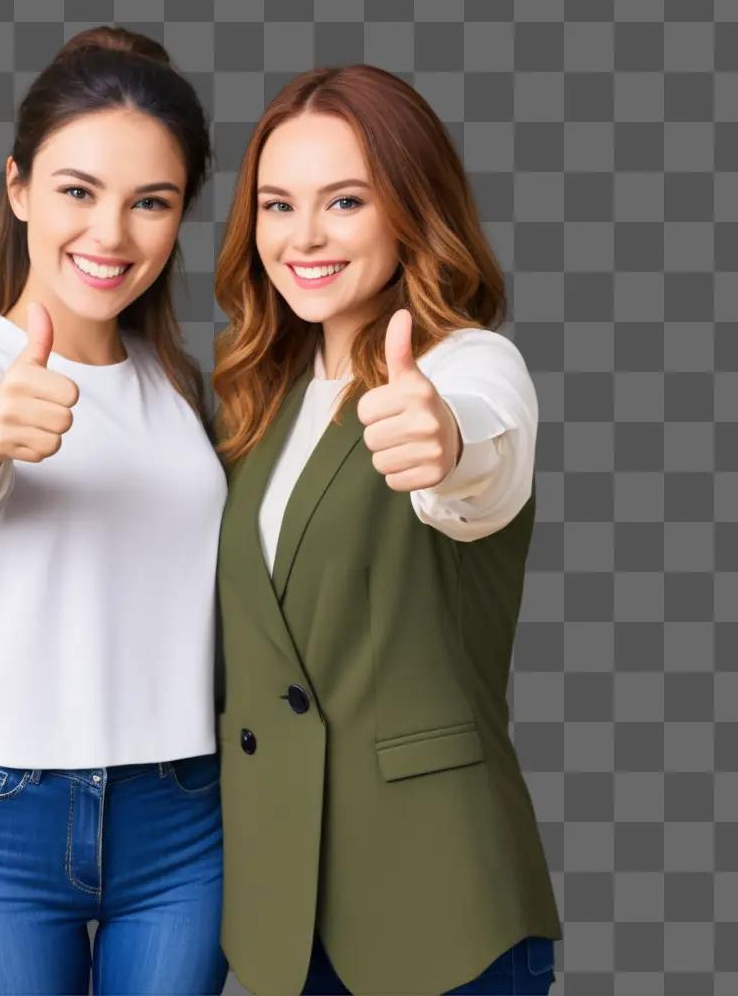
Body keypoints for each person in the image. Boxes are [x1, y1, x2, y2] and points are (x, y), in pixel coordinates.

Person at [0, 26, 229, 995]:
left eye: (150, 203)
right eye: (77, 191)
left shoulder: (181, 388)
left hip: (182, 816)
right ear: (18, 188)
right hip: (4, 817)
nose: (111, 235)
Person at [211, 64, 562, 995]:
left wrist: (443, 444)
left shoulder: (471, 364)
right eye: (278, 205)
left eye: (346, 201)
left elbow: (480, 455)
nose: (304, 238)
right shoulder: (262, 400)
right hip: (285, 914)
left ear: (411, 208)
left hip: (440, 903)